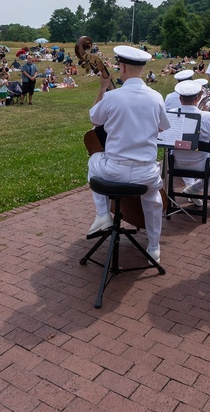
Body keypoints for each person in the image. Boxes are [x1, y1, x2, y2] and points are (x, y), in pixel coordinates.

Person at [87, 46, 171, 264]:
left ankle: (103, 214)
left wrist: (103, 87)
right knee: (153, 200)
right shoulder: (156, 97)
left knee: (94, 160)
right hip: (146, 172)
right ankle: (154, 248)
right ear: (142, 69)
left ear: (122, 67)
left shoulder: (113, 97)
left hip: (114, 171)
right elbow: (163, 127)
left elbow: (95, 120)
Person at [171, 80, 210, 204]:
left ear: (179, 98)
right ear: (198, 98)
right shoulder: (206, 116)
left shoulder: (172, 113)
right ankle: (195, 188)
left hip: (175, 162)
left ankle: (192, 188)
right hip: (200, 164)